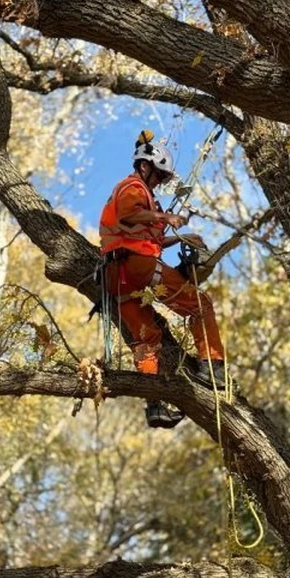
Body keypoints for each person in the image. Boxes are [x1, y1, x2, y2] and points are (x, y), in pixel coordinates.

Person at [99, 131, 227, 428]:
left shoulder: (144, 201)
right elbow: (130, 216)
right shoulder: (132, 187)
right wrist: (165, 218)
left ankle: (154, 405)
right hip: (137, 266)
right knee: (200, 304)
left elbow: (144, 235)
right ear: (145, 166)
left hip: (115, 277)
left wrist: (180, 237)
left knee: (148, 338)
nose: (159, 182)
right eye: (158, 176)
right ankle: (213, 366)